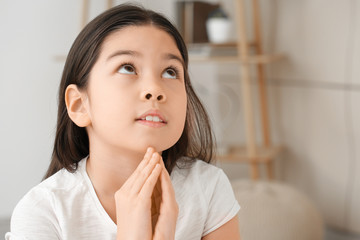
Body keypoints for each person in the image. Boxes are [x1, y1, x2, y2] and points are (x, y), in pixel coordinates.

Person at [5, 4, 241, 240]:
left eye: (170, 71)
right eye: (127, 68)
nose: (155, 90)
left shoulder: (208, 188)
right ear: (79, 105)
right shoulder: (43, 212)